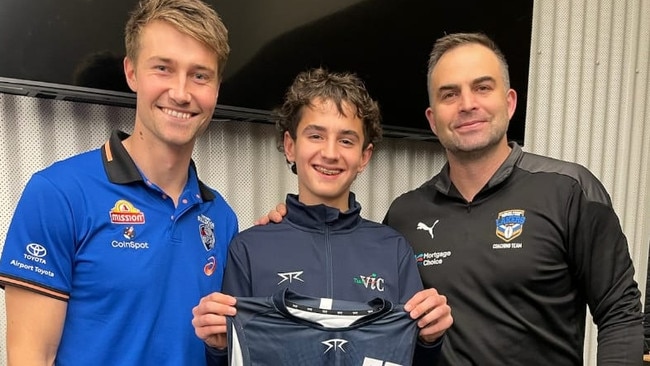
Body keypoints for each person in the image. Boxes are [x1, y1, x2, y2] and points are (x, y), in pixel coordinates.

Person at [259, 32, 644, 365]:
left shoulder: (569, 189)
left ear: (509, 102)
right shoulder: (406, 216)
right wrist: (294, 226)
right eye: (449, 94)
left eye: (482, 87)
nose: (466, 105)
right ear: (432, 117)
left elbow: (621, 314)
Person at [0, 0, 238, 364]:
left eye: (200, 75)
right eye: (163, 68)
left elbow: (218, 350)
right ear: (131, 72)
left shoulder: (221, 217)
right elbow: (31, 356)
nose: (181, 92)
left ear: (217, 88)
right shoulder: (59, 194)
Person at [191, 67, 453, 365]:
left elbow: (412, 357)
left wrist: (431, 339)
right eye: (315, 135)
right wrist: (218, 347)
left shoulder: (393, 249)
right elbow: (235, 356)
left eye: (346, 140)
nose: (330, 153)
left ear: (364, 157)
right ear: (290, 146)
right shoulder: (249, 249)